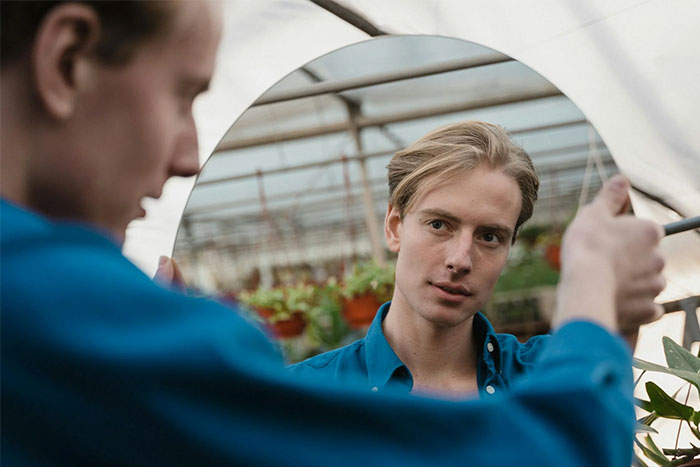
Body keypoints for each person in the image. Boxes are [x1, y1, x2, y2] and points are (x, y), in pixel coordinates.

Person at [0, 1, 666, 465]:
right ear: (67, 60)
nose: (188, 155)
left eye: (491, 236)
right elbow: (542, 454)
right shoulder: (50, 307)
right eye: (182, 96)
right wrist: (592, 309)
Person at [289, 121, 665, 399]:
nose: (460, 259)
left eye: (489, 236)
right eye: (439, 224)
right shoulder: (306, 397)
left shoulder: (546, 377)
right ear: (394, 227)